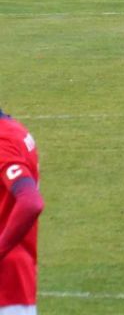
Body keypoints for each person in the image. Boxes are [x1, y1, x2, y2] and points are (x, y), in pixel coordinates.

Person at [0, 107, 44, 315]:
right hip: (18, 278)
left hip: (6, 285)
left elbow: (30, 202)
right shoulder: (15, 130)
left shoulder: (3, 142)